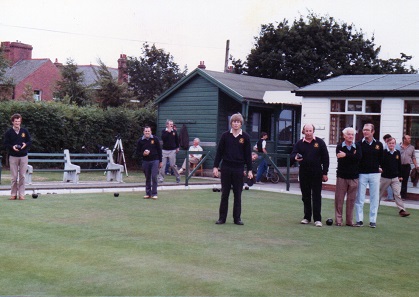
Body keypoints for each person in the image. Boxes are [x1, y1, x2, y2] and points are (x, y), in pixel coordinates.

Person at [213, 113, 253, 225]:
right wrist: (215, 166)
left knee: (237, 194)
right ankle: (222, 218)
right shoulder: (225, 136)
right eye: (234, 121)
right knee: (224, 193)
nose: (236, 124)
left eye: (238, 122)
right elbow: (219, 152)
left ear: (241, 124)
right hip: (226, 168)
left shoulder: (245, 137)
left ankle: (237, 218)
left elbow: (248, 155)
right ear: (231, 123)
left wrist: (250, 169)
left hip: (239, 169)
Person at [291, 123, 329, 227]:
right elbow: (293, 154)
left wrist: (325, 173)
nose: (308, 133)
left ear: (313, 131)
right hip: (304, 172)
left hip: (317, 172)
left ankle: (317, 219)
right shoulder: (299, 143)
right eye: (306, 131)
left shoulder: (320, 142)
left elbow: (326, 158)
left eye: (310, 131)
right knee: (306, 196)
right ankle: (307, 217)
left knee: (316, 195)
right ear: (303, 131)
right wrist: (295, 158)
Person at [355, 123, 383, 228]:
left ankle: (372, 220)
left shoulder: (378, 145)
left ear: (373, 132)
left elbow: (381, 159)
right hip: (362, 174)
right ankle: (359, 220)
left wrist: (380, 168)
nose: (365, 131)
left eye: (367, 130)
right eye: (364, 129)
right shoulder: (358, 144)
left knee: (374, 198)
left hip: (375, 174)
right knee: (360, 197)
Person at [334, 127, 362, 226]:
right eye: (348, 134)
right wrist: (351, 156)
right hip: (342, 176)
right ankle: (338, 221)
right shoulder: (339, 146)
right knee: (339, 199)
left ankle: (349, 221)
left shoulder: (358, 146)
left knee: (351, 200)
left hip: (354, 177)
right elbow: (341, 159)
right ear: (344, 136)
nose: (350, 136)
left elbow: (358, 158)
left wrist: (346, 155)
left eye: (352, 134)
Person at [379, 137, 410, 217]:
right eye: (390, 143)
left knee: (397, 194)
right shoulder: (384, 152)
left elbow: (399, 165)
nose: (391, 145)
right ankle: (374, 208)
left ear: (395, 144)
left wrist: (400, 176)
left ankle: (402, 210)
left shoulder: (397, 153)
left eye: (393, 143)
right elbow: (380, 163)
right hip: (385, 177)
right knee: (379, 194)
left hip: (395, 178)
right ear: (387, 144)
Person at [4, 113, 32, 200]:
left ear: (20, 122)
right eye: (16, 121)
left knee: (22, 176)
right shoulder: (9, 132)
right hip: (13, 156)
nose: (17, 123)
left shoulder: (24, 131)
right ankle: (13, 194)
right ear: (13, 122)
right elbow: (5, 143)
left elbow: (29, 141)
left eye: (19, 121)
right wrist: (12, 147)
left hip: (23, 156)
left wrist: (25, 145)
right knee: (14, 177)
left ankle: (21, 194)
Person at [136, 126, 162, 200]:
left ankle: (154, 193)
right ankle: (148, 193)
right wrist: (143, 154)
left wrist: (160, 161)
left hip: (155, 160)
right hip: (145, 161)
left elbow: (159, 150)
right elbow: (137, 152)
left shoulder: (155, 139)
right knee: (147, 177)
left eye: (148, 131)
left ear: (151, 132)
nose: (147, 132)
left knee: (154, 176)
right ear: (143, 132)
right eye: (146, 131)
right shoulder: (140, 141)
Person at [159, 119, 181, 183]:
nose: (171, 126)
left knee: (172, 165)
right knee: (162, 165)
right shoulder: (163, 131)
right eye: (170, 124)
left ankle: (178, 177)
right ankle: (161, 178)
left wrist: (177, 147)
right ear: (167, 125)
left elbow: (177, 140)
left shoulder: (174, 131)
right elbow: (163, 138)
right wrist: (168, 132)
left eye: (172, 124)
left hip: (172, 150)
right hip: (164, 150)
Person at [399, 135, 418, 199]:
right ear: (404, 139)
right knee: (396, 181)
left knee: (404, 181)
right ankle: (396, 195)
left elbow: (413, 157)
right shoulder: (398, 146)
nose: (410, 139)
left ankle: (403, 196)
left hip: (407, 166)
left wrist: (416, 165)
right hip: (398, 166)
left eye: (410, 138)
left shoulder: (412, 147)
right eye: (408, 138)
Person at [382, 134, 394, 201]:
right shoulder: (396, 144)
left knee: (388, 182)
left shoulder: (386, 146)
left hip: (388, 167)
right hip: (395, 167)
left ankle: (390, 197)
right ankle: (392, 196)